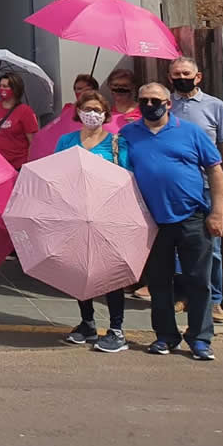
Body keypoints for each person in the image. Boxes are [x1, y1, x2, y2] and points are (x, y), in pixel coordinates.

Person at [121, 81, 223, 360]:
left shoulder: (190, 132)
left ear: (169, 104)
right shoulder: (128, 133)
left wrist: (217, 211)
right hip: (151, 223)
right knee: (158, 282)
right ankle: (166, 336)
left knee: (198, 280)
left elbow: (215, 170)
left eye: (155, 100)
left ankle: (200, 338)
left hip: (192, 217)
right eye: (144, 100)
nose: (149, 105)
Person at [53, 89, 132, 352]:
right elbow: (56, 174)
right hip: (75, 214)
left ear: (106, 114)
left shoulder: (115, 143)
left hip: (107, 216)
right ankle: (87, 322)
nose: (92, 114)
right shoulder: (66, 141)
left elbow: (126, 179)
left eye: (97, 110)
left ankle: (117, 329)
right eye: (87, 109)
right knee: (80, 270)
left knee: (111, 274)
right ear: (78, 112)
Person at [168, 56, 223, 323]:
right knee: (177, 247)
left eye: (186, 73)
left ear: (198, 77)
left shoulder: (214, 106)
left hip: (209, 188)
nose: (181, 77)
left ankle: (215, 300)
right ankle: (184, 296)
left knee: (212, 246)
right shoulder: (165, 105)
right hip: (177, 189)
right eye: (176, 73)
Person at [0, 70, 39, 170]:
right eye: (0, 86)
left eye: (5, 86)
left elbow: (33, 142)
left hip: (17, 165)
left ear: (15, 89)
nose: (1, 89)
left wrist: (29, 165)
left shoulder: (25, 111)